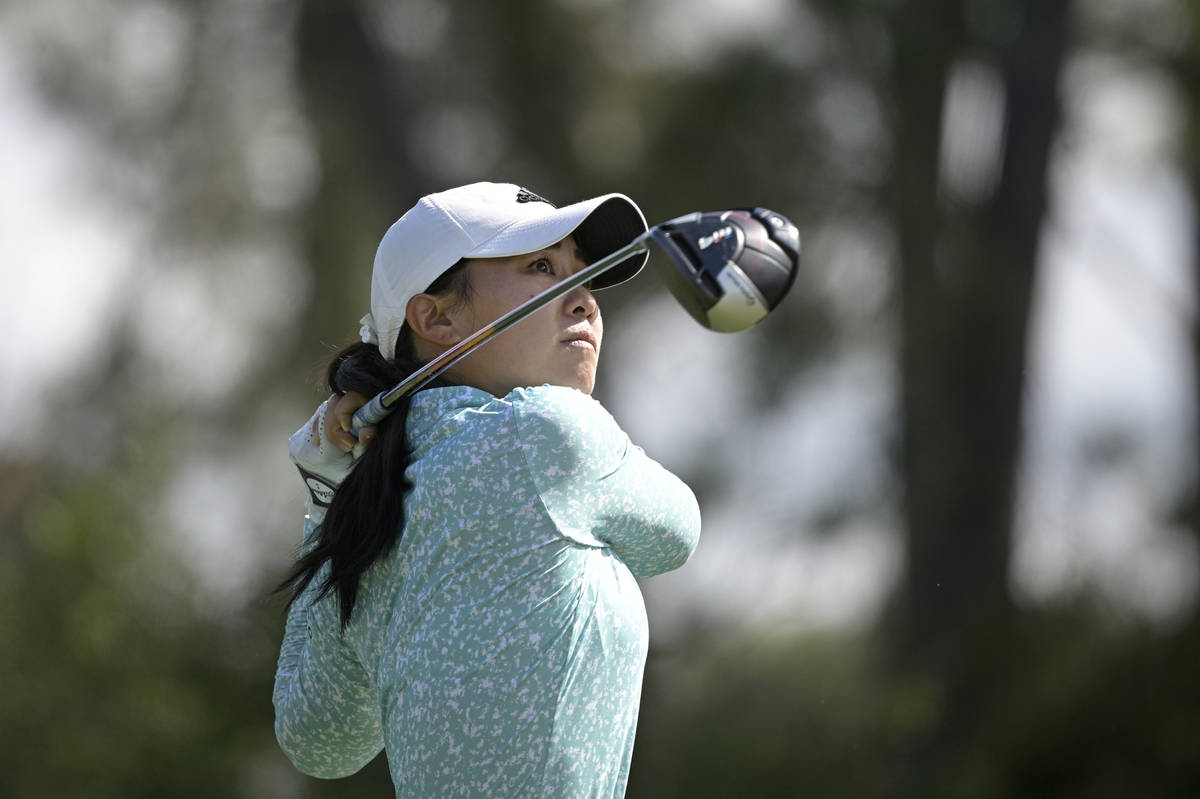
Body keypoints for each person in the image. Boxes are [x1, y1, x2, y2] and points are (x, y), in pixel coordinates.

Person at [273, 181, 701, 797]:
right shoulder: (548, 432)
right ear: (437, 317)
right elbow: (676, 534)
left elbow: (319, 741)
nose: (583, 299)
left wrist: (325, 498)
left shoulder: (374, 504)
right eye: (541, 267)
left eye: (581, 273)